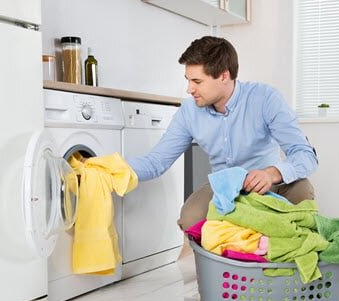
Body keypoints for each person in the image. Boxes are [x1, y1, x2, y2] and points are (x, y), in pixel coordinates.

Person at [127, 36, 317, 231]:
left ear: (224, 76)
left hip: (269, 184)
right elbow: (156, 162)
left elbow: (305, 154)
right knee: (190, 219)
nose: (189, 89)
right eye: (188, 80)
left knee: (302, 193)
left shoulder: (265, 98)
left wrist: (272, 173)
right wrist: (107, 168)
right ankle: (223, 258)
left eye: (197, 81)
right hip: (224, 187)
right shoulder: (189, 111)